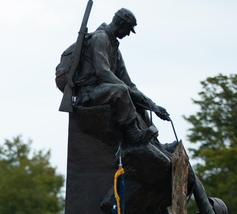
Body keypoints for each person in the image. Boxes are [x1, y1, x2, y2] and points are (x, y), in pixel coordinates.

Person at [70, 8, 171, 145]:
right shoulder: (100, 38)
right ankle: (134, 134)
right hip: (89, 94)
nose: (128, 34)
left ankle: (155, 144)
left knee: (136, 100)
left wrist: (152, 105)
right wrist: (126, 90)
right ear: (121, 24)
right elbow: (103, 73)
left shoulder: (115, 49)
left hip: (102, 92)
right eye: (128, 29)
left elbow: (129, 84)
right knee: (121, 91)